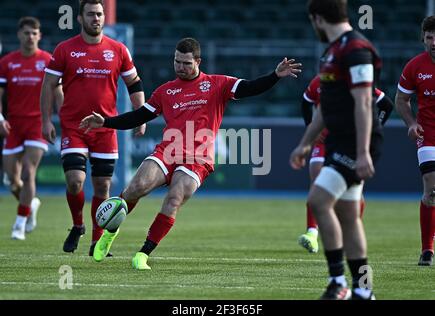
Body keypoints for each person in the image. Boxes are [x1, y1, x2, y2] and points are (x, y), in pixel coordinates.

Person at [79, 37, 302, 269]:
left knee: (174, 198)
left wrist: (275, 75)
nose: (180, 67)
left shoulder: (217, 84)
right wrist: (105, 121)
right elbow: (138, 117)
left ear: (198, 61)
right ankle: (110, 232)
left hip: (198, 159)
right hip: (168, 152)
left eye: (186, 63)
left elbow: (250, 88)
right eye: (176, 62)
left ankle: (143, 254)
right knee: (135, 188)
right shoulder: (165, 91)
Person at [290, 0, 382, 300]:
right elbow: (324, 110)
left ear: (317, 18)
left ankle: (337, 282)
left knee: (318, 200)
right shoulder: (331, 53)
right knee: (348, 215)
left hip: (355, 143)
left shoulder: (356, 49)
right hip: (338, 141)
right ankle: (364, 290)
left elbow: (365, 102)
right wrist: (306, 143)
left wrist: (364, 150)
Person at [40, 0, 146, 255]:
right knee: (76, 182)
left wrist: (140, 116)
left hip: (105, 128)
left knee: (102, 187)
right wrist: (45, 120)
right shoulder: (65, 49)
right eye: (90, 14)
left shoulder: (118, 49)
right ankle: (78, 225)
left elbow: (134, 83)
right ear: (80, 19)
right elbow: (48, 84)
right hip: (74, 127)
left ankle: (96, 242)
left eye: (99, 14)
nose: (96, 18)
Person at [298, 74, 393, 253]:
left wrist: (374, 128)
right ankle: (312, 233)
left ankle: (350, 229)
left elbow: (386, 105)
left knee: (352, 189)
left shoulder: (357, 82)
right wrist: (310, 128)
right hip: (325, 141)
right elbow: (306, 102)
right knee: (316, 180)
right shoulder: (319, 82)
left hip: (351, 143)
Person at [0, 17, 62, 240]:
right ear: (19, 35)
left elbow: (57, 92)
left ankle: (19, 223)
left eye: (34, 33)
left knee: (28, 172)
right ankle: (31, 204)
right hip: (13, 124)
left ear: (39, 36)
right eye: (26, 33)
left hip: (38, 123)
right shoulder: (7, 62)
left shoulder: (47, 61)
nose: (30, 37)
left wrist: (62, 115)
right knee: (11, 180)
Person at [395, 15, 435, 267]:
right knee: (431, 189)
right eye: (430, 37)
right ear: (423, 39)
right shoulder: (414, 67)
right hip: (428, 134)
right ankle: (427, 250)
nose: (434, 42)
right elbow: (401, 100)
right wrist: (411, 123)